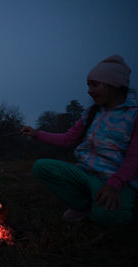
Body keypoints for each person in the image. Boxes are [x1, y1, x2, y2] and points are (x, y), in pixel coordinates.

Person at [21, 55, 138, 226]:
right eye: (88, 85)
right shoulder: (91, 113)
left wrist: (114, 185)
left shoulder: (134, 116)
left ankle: (114, 207)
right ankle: (84, 205)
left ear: (115, 85)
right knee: (42, 167)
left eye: (95, 84)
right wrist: (36, 134)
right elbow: (68, 139)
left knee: (104, 218)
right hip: (84, 174)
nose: (89, 90)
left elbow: (134, 159)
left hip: (114, 182)